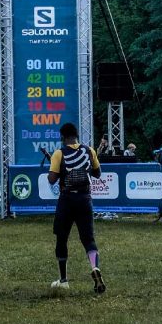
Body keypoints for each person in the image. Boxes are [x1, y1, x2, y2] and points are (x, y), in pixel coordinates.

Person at [47, 122, 105, 294]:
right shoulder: (89, 150)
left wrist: (54, 166)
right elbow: (97, 173)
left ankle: (64, 280)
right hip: (85, 199)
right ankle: (95, 267)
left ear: (62, 137)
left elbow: (52, 179)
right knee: (88, 239)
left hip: (67, 200)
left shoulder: (59, 153)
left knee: (62, 238)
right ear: (77, 136)